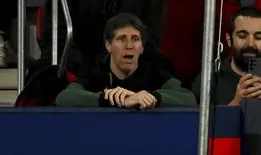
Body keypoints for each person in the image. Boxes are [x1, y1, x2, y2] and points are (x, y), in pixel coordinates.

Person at [55, 14, 196, 108]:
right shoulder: (96, 68)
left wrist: (152, 97)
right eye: (121, 39)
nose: (129, 46)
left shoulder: (154, 67)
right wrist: (110, 99)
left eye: (135, 39)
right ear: (108, 46)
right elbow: (64, 97)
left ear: (142, 48)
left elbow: (189, 98)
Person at [195, 8, 261, 106]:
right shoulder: (208, 81)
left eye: (258, 37)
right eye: (242, 36)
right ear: (228, 39)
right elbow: (196, 124)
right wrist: (235, 103)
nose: (250, 44)